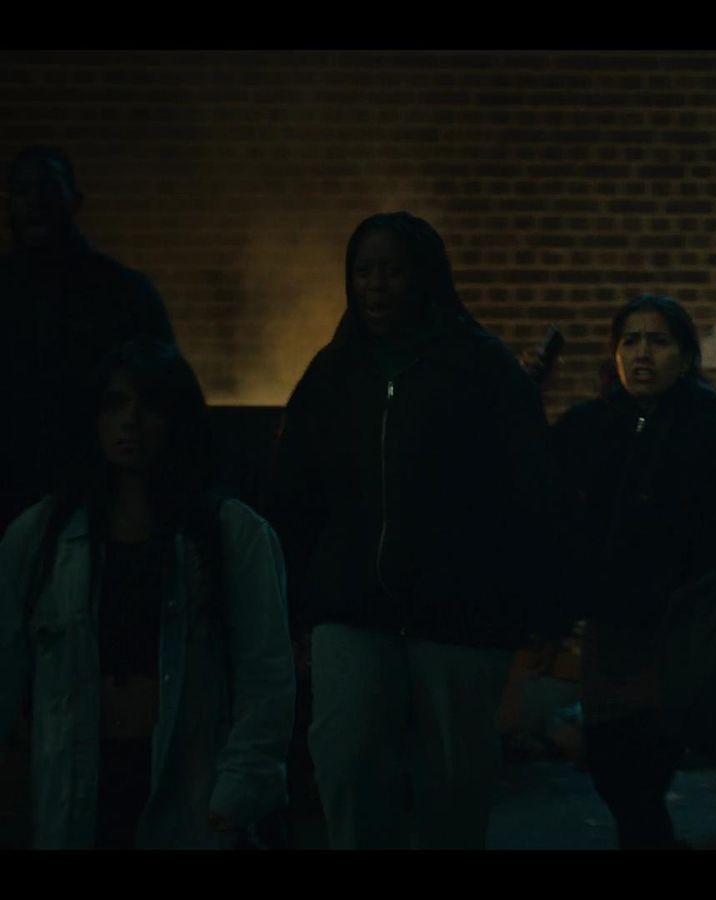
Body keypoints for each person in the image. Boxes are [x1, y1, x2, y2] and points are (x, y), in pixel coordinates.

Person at [267, 212, 570, 848]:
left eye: (392, 271)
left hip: (460, 618)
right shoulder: (334, 372)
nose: (375, 286)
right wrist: (295, 600)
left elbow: (532, 492)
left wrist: (537, 606)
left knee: (453, 785)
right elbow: (293, 490)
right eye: (363, 272)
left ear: (424, 277)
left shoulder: (481, 369)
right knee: (347, 766)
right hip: (352, 609)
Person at [0, 337, 295, 849]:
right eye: (114, 403)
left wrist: (239, 788)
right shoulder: (40, 537)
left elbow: (265, 674)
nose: (130, 421)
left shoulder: (232, 536)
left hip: (191, 777)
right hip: (75, 778)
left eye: (149, 405)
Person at [552, 295, 716, 849]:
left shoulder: (707, 433)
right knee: (615, 774)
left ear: (685, 357)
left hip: (676, 633)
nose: (642, 353)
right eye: (631, 340)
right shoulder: (592, 425)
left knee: (643, 777)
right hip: (611, 630)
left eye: (658, 341)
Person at [0, 147, 175, 535]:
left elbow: (166, 393)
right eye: (23, 190)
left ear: (73, 200)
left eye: (47, 188)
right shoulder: (123, 291)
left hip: (96, 492)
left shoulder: (123, 294)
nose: (34, 201)